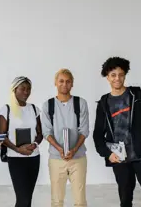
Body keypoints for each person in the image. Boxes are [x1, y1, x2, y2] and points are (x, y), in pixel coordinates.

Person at [93, 57, 141, 207]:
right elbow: (97, 134)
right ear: (107, 77)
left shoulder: (137, 95)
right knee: (125, 200)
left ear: (125, 75)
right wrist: (107, 154)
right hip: (120, 160)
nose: (117, 78)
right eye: (113, 75)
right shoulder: (104, 103)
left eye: (121, 74)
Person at [41, 69, 89, 207]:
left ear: (72, 84)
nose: (64, 84)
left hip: (78, 158)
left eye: (68, 81)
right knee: (57, 201)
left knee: (80, 201)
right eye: (61, 81)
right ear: (55, 83)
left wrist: (74, 149)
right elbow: (46, 132)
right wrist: (59, 149)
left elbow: (84, 130)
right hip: (56, 158)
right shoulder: (48, 105)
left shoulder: (80, 103)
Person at [0, 76, 43, 207]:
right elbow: (1, 136)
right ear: (14, 89)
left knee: (27, 199)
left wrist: (34, 145)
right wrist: (18, 149)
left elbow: (40, 133)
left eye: (28, 89)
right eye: (22, 89)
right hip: (16, 159)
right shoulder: (6, 109)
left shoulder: (34, 109)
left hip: (33, 157)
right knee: (22, 199)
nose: (26, 92)